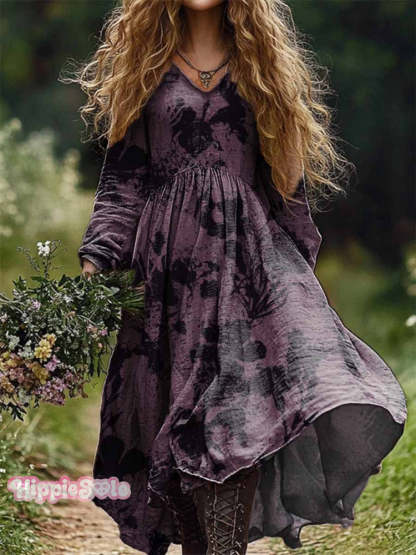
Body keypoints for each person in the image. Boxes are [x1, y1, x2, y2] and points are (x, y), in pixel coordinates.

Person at [70, 1, 408, 554]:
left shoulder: (262, 67)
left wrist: (298, 284)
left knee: (236, 418)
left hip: (246, 273)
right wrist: (96, 261)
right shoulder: (145, 68)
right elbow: (122, 186)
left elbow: (288, 190)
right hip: (166, 281)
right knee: (172, 425)